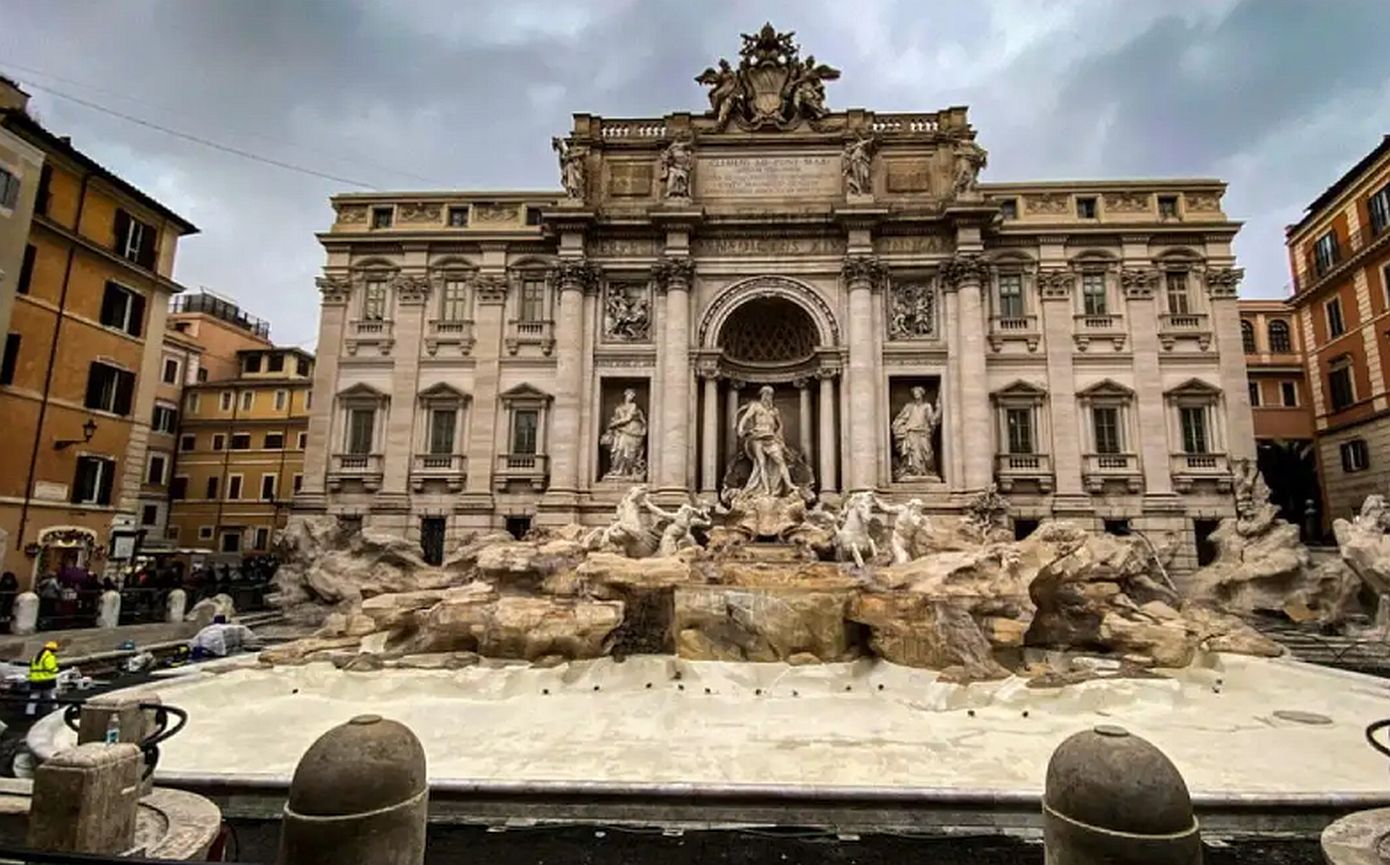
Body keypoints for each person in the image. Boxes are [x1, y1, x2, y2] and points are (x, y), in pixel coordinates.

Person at [188, 614, 261, 660]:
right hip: (215, 645)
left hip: (209, 646)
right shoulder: (235, 627)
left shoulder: (208, 628)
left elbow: (195, 641)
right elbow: (249, 636)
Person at [27, 640, 60, 717]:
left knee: (34, 696)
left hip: (34, 679)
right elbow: (51, 667)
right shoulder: (49, 656)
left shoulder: (36, 656)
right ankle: (55, 709)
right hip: (47, 679)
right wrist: (56, 669)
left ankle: (29, 712)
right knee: (50, 695)